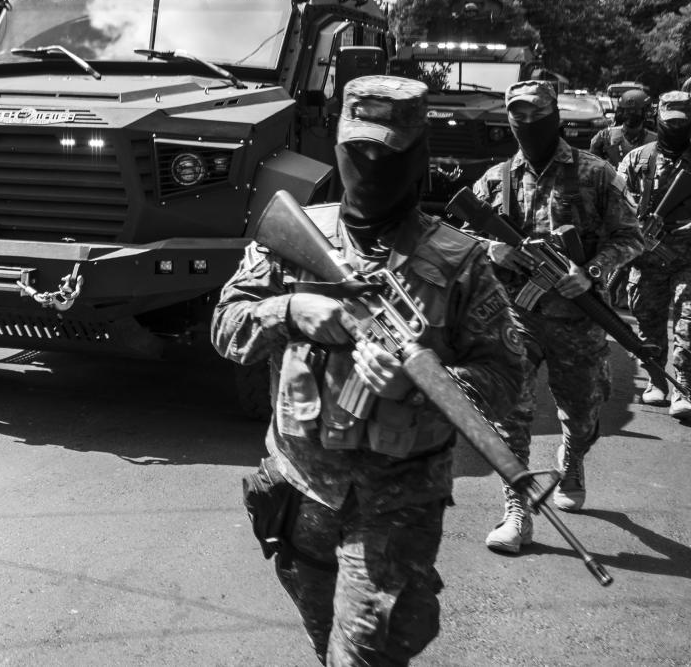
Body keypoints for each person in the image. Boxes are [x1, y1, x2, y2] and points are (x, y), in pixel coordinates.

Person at [214, 75, 522, 667]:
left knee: (365, 655)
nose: (371, 164)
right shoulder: (293, 237)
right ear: (337, 148)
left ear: (418, 157)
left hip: (396, 507)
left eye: (389, 154)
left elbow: (505, 380)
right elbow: (227, 329)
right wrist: (290, 310)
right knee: (325, 641)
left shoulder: (460, 263)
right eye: (358, 151)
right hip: (299, 492)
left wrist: (424, 383)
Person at [469, 80, 642, 553]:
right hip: (514, 317)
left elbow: (631, 236)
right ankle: (517, 511)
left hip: (578, 321)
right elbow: (458, 240)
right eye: (517, 116)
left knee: (584, 413)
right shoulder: (497, 177)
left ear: (554, 118)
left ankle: (572, 456)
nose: (526, 125)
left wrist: (591, 273)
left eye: (535, 116)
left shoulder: (595, 172)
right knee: (509, 416)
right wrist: (492, 249)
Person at [619, 90, 691, 418]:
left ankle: (685, 385)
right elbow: (614, 204)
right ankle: (656, 379)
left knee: (688, 322)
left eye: (683, 123)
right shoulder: (638, 159)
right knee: (648, 320)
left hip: (688, 257)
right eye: (670, 122)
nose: (675, 128)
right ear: (658, 119)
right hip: (647, 259)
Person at [590, 87, 654, 166]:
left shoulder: (654, 140)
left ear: (644, 113)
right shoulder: (606, 136)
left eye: (635, 111)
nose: (631, 115)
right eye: (628, 111)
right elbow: (594, 163)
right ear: (621, 112)